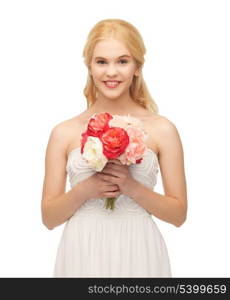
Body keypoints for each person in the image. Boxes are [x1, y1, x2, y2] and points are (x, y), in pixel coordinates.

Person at [41, 18, 187, 277]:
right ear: (89, 67)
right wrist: (86, 189)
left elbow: (178, 215)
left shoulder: (162, 130)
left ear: (137, 67)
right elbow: (49, 218)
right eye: (101, 62)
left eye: (122, 61)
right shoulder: (63, 133)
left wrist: (131, 187)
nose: (111, 72)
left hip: (138, 250)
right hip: (82, 251)